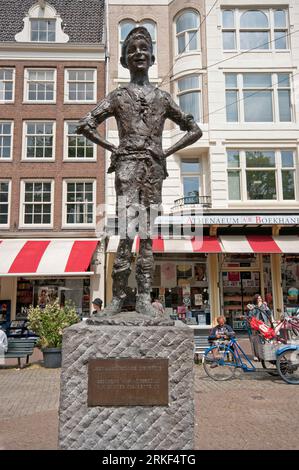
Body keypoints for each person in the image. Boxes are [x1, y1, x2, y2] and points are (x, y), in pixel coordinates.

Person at [77, 26, 202, 316]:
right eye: (132, 49)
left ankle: (144, 296)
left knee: (146, 234)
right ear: (124, 59)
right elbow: (85, 124)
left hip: (153, 169)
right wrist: (114, 148)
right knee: (125, 232)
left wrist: (165, 152)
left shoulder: (163, 97)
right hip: (127, 166)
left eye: (143, 48)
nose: (138, 53)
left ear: (152, 56)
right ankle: (119, 297)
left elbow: (193, 130)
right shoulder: (118, 96)